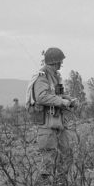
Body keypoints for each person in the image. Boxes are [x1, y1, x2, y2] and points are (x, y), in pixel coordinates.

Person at [26, 47, 78, 178]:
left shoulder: (55, 76)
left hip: (57, 120)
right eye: (60, 61)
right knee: (49, 152)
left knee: (65, 151)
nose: (61, 64)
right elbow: (41, 97)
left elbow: (57, 94)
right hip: (46, 122)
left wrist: (69, 99)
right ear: (55, 62)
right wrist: (61, 101)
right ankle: (45, 185)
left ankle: (62, 181)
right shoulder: (42, 77)